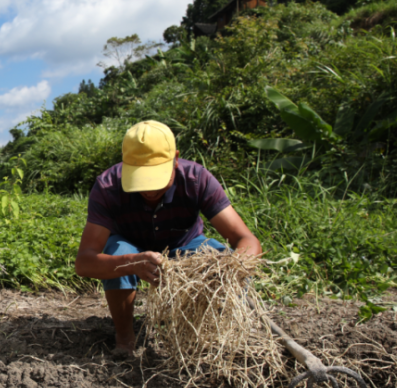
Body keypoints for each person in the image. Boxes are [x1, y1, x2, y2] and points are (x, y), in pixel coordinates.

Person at [74, 120, 262, 355]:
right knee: (117, 253)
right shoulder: (108, 187)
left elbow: (246, 240)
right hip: (130, 245)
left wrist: (229, 268)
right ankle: (124, 338)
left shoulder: (196, 178)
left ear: (175, 158)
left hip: (185, 243)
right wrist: (133, 262)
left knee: (220, 257)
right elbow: (84, 262)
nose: (150, 190)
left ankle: (226, 337)